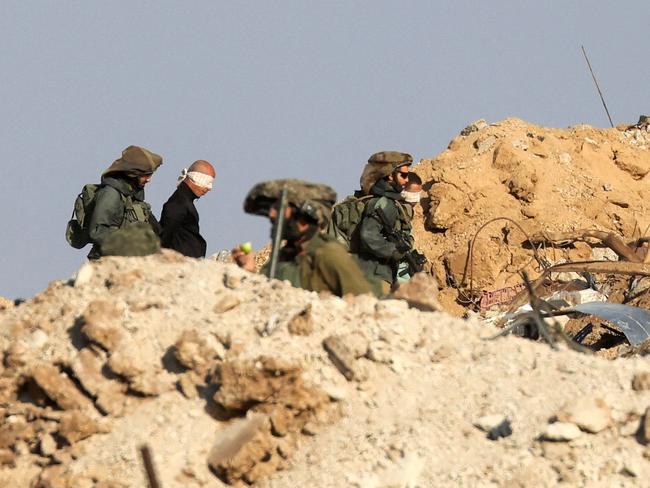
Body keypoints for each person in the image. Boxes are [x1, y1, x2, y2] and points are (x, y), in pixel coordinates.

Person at [232, 179, 374, 297]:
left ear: (306, 215)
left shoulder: (328, 254)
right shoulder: (284, 255)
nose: (272, 215)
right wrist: (249, 271)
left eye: (280, 208)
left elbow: (362, 305)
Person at [356, 151, 416, 294]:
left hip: (380, 272)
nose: (407, 180)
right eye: (404, 175)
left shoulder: (390, 202)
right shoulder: (384, 204)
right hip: (375, 275)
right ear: (390, 175)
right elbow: (368, 234)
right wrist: (394, 251)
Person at [87, 145, 162, 259]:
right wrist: (129, 241)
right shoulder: (111, 194)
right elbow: (97, 231)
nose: (148, 179)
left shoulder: (132, 196)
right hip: (108, 261)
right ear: (133, 174)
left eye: (150, 174)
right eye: (145, 175)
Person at [160, 160, 216, 258]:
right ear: (194, 177)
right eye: (207, 182)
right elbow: (164, 235)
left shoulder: (185, 201)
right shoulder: (178, 203)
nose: (209, 188)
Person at [396, 172, 423, 283]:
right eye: (413, 194)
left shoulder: (406, 213)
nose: (416, 200)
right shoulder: (394, 211)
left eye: (418, 195)